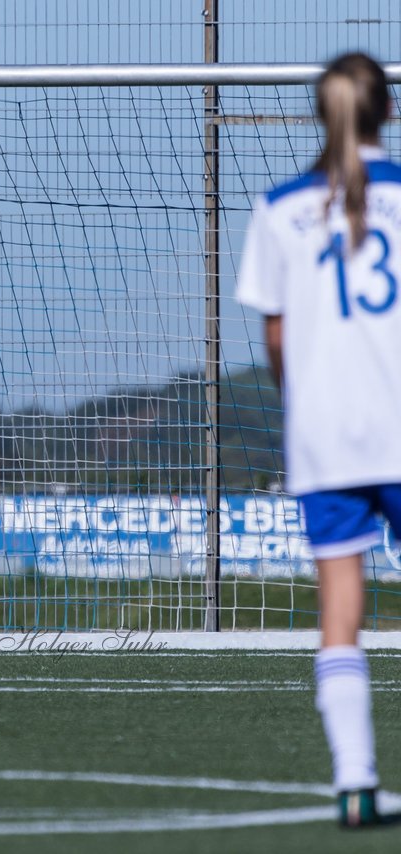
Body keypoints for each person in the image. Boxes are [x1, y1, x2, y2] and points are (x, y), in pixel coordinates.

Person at [237, 52, 400, 827]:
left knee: (340, 606)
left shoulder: (279, 209)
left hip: (325, 434)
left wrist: (302, 398)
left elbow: (277, 338)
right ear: (386, 114)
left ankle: (356, 782)